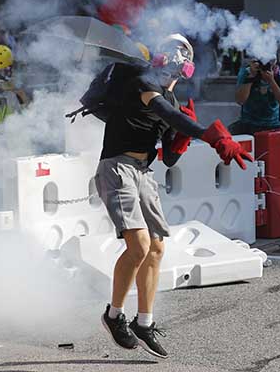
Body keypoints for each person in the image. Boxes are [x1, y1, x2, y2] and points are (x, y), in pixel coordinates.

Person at [96, 33, 253, 358]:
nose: (169, 70)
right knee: (138, 245)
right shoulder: (141, 84)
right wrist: (210, 135)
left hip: (142, 172)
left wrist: (181, 140)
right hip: (117, 168)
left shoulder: (172, 101)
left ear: (184, 71)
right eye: (168, 61)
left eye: (176, 65)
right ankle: (114, 316)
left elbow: (168, 156)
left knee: (155, 248)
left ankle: (144, 322)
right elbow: (170, 117)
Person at [229, 57, 280, 135]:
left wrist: (271, 81)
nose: (266, 65)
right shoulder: (247, 72)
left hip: (273, 126)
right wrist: (251, 77)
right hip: (247, 124)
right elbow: (240, 100)